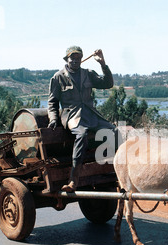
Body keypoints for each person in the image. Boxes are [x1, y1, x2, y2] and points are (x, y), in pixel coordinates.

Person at [47, 46, 116, 192]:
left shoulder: (88, 74)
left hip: (91, 115)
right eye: (72, 58)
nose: (75, 61)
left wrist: (103, 64)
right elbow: (52, 103)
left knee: (114, 131)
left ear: (81, 60)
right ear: (67, 59)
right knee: (82, 134)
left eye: (78, 58)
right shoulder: (58, 77)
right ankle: (73, 180)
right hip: (72, 117)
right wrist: (53, 119)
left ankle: (115, 169)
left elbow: (108, 83)